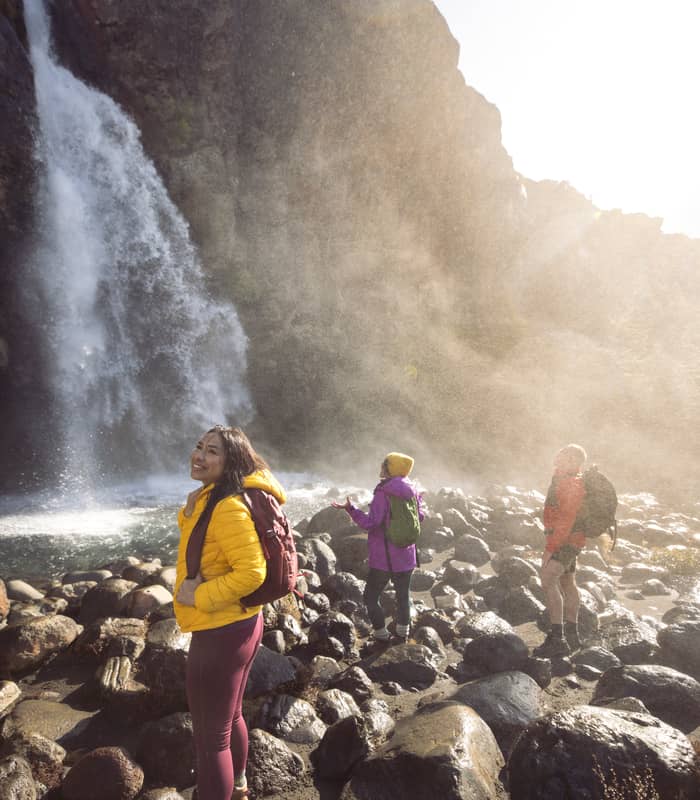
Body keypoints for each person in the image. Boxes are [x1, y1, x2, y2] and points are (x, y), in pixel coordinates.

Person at [174, 425, 286, 800]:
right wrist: (191, 509)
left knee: (210, 742)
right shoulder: (217, 498)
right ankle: (238, 786)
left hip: (221, 630)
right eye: (199, 446)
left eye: (212, 452)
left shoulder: (228, 507)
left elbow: (252, 572)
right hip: (241, 624)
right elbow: (209, 548)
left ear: (231, 462)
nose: (199, 455)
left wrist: (200, 594)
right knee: (230, 716)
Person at [333, 452, 424, 643]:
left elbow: (371, 523)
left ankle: (381, 636)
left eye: (384, 464)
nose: (381, 467)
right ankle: (402, 635)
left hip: (384, 558)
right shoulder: (413, 489)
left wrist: (351, 509)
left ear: (390, 469)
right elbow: (420, 517)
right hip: (407, 555)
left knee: (370, 597)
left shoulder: (384, 492)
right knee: (403, 597)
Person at [533, 443, 587, 658]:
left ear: (573, 461)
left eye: (564, 455)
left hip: (565, 542)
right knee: (567, 582)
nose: (558, 455)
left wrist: (551, 548)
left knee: (547, 580)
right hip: (572, 541)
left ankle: (558, 638)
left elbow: (567, 520)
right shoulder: (563, 479)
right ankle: (572, 634)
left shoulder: (571, 484)